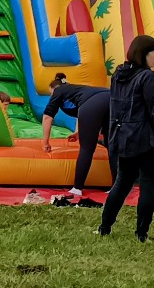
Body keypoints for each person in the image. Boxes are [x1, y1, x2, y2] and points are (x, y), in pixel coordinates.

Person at [99, 34, 154, 241]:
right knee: (147, 186)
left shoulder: (119, 75)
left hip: (125, 139)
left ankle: (104, 227)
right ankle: (141, 234)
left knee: (121, 183)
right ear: (144, 54)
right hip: (147, 142)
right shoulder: (147, 78)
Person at [39, 72, 111, 200]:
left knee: (86, 149)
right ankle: (117, 187)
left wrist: (45, 142)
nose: (52, 97)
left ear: (54, 89)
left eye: (51, 94)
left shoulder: (58, 91)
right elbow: (82, 109)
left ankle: (77, 188)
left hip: (95, 104)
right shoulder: (76, 89)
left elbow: (47, 118)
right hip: (111, 97)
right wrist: (78, 131)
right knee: (112, 145)